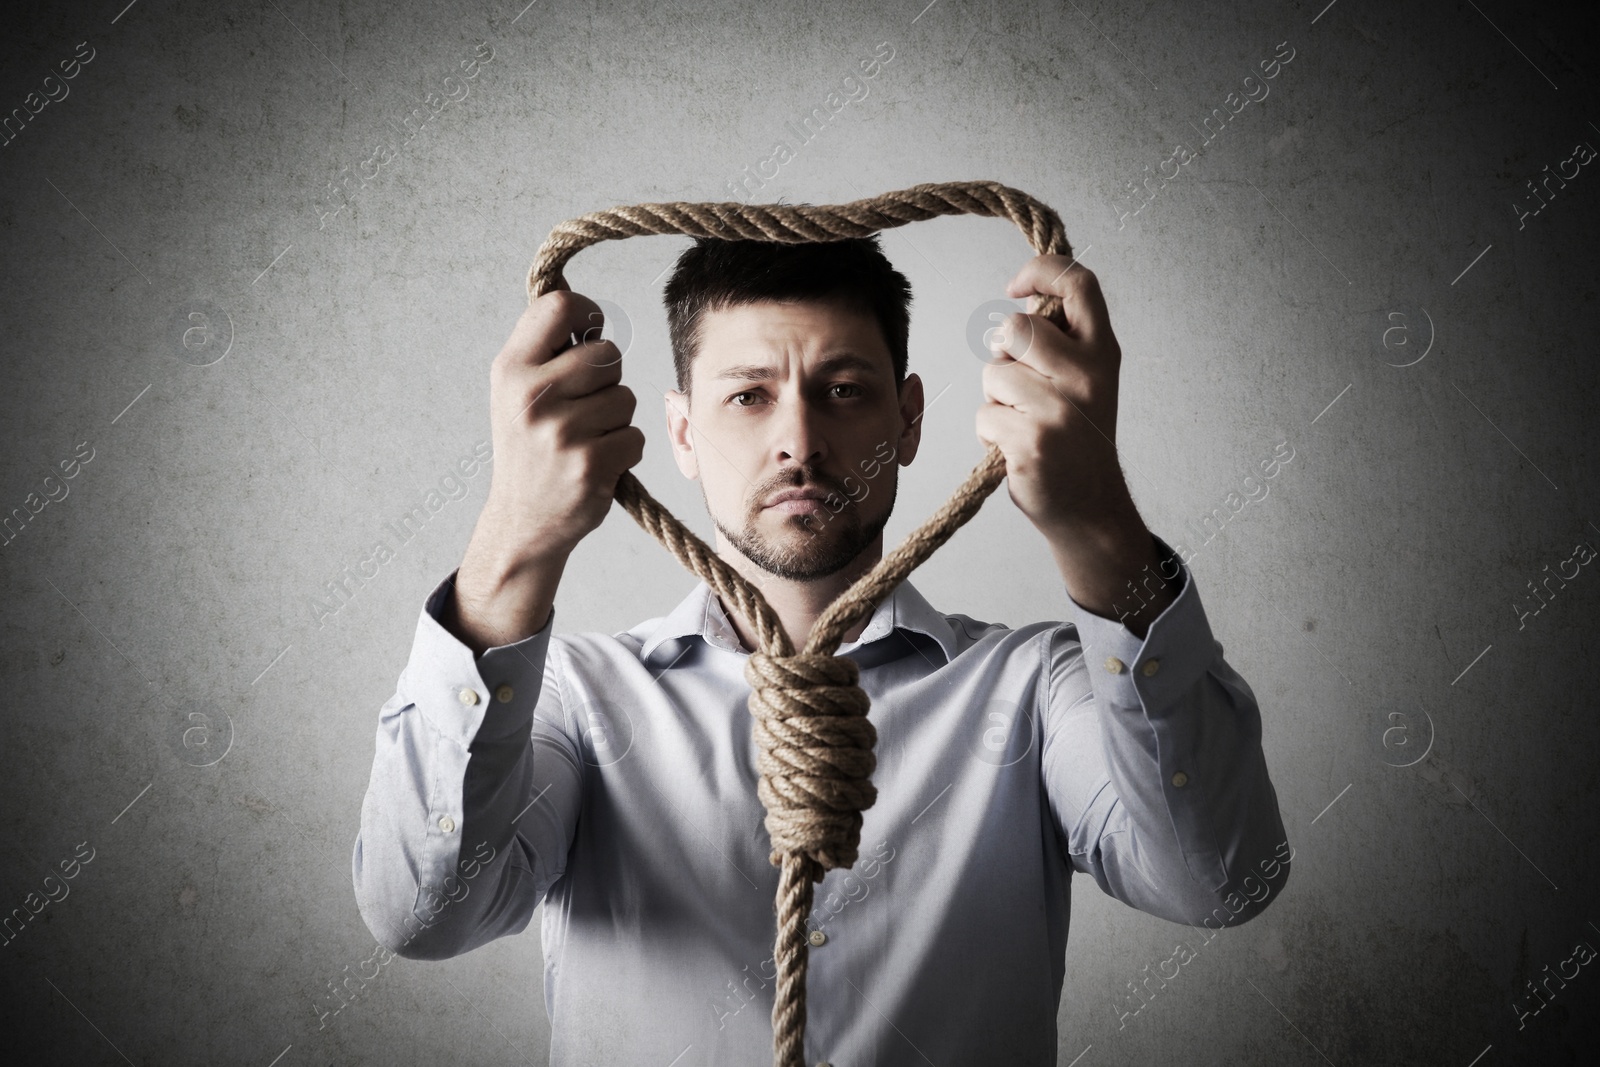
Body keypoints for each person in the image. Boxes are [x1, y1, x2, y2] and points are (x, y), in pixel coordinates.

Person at [352, 236, 1289, 1065]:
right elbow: (420, 913)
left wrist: (1098, 523)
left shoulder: (1034, 690)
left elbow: (1220, 878)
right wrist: (511, 541)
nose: (798, 440)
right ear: (680, 430)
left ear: (911, 420)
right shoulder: (574, 697)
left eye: (842, 391)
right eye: (748, 396)